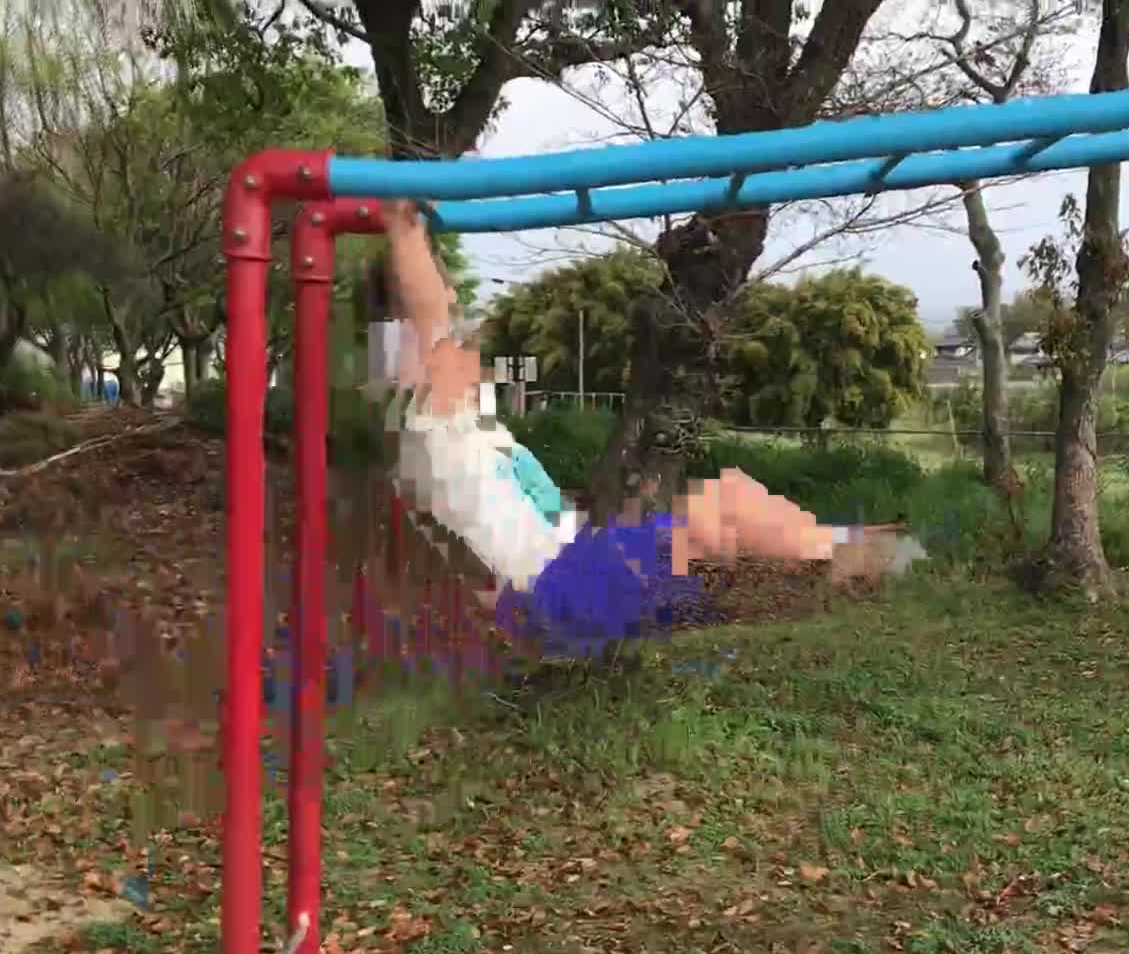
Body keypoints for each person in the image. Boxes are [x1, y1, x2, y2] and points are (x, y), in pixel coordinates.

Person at [377, 201, 901, 650]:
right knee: (721, 505)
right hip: (560, 592)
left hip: (574, 573)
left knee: (724, 505)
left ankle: (841, 551)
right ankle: (855, 556)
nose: (468, 346)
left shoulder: (469, 432)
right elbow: (430, 321)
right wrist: (404, 226)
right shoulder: (436, 429)